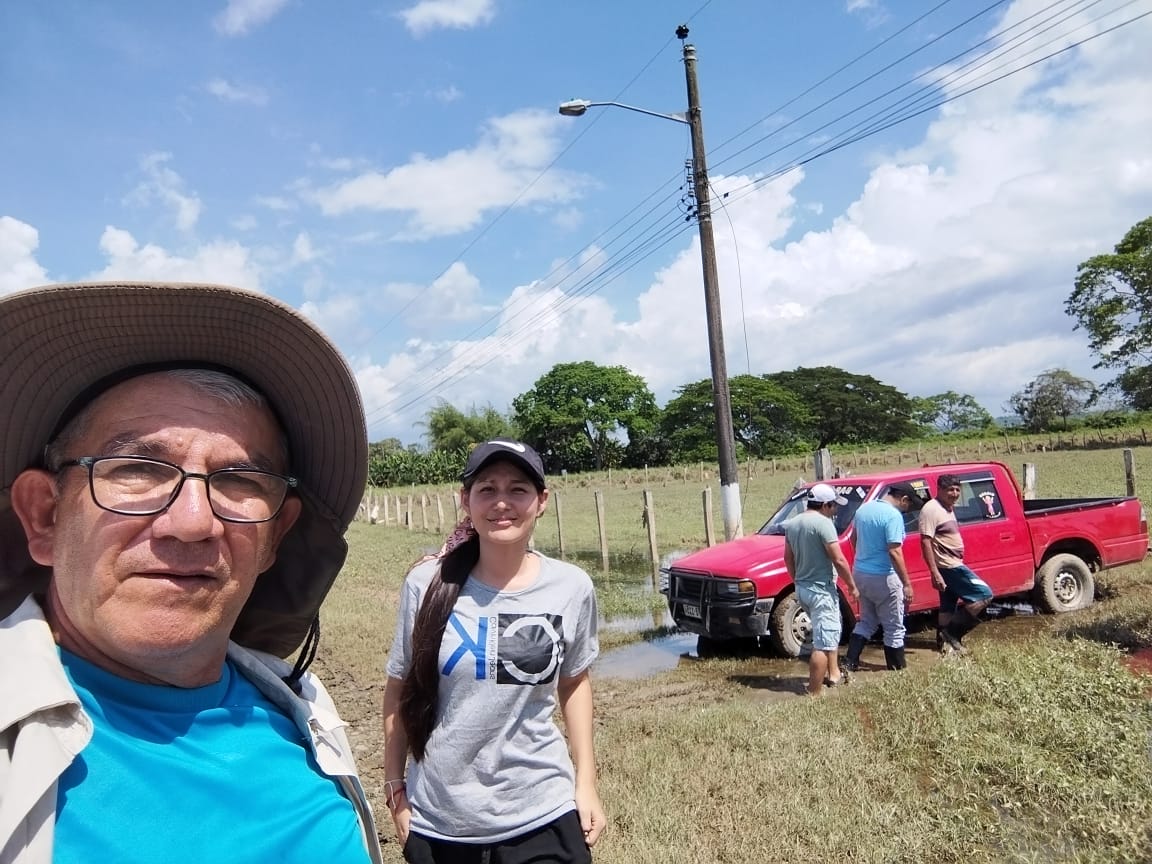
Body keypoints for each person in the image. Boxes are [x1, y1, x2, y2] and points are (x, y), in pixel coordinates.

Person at [0, 281, 381, 864]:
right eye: (137, 468)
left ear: (275, 537)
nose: (193, 522)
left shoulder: (304, 712)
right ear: (46, 516)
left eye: (239, 480)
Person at [382, 439, 606, 863]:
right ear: (465, 500)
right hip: (441, 820)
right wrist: (395, 788)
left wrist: (586, 782)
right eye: (487, 489)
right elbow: (399, 690)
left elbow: (574, 682)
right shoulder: (426, 584)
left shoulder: (571, 587)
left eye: (518, 489)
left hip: (543, 811)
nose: (502, 502)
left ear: (541, 501)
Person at [783, 483, 857, 695]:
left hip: (803, 590)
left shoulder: (793, 524)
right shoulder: (824, 524)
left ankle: (834, 674)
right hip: (821, 592)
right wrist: (852, 586)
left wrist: (797, 580)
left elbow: (788, 558)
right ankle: (814, 692)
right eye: (834, 506)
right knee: (822, 644)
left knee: (827, 631)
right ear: (825, 505)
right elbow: (838, 560)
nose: (836, 510)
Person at [843, 482, 924, 673]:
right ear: (904, 499)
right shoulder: (893, 516)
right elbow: (895, 552)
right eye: (908, 505)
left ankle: (849, 663)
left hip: (861, 574)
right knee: (894, 628)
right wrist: (907, 584)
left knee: (867, 621)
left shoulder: (863, 509)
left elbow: (853, 540)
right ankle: (897, 671)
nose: (907, 510)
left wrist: (865, 559)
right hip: (884, 577)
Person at [920, 473, 994, 654]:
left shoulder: (947, 507)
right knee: (984, 595)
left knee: (948, 605)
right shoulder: (931, 509)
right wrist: (934, 572)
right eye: (950, 490)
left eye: (957, 490)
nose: (954, 494)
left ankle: (944, 648)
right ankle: (951, 634)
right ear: (939, 490)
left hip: (951, 563)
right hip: (948, 565)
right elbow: (925, 541)